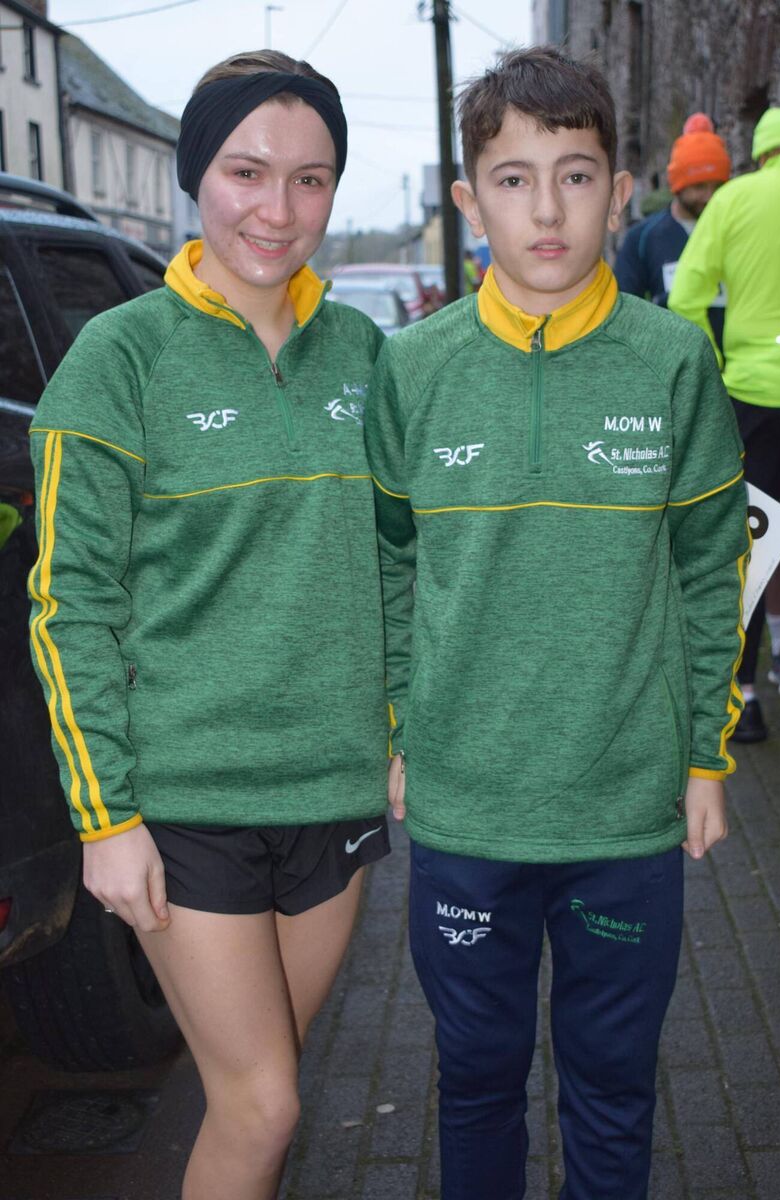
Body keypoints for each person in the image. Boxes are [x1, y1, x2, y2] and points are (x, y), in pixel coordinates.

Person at [364, 46, 749, 1200]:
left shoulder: (673, 360)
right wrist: (396, 726)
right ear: (466, 196)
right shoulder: (412, 368)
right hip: (466, 808)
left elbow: (702, 571)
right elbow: (385, 561)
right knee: (475, 1076)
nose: (546, 208)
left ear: (619, 189)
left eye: (574, 175)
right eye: (514, 177)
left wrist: (702, 759)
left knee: (611, 1083)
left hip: (624, 809)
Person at [28, 50, 389, 1200]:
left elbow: (399, 560)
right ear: (197, 176)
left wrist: (401, 731)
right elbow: (68, 602)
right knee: (263, 1099)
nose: (277, 210)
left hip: (331, 790)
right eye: (246, 171)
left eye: (310, 178)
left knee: (260, 1097)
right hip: (184, 802)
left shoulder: (366, 357)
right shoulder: (118, 357)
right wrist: (104, 817)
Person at [669, 106, 780, 743]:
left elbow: (685, 297)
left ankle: (743, 700)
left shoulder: (735, 200)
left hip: (757, 397)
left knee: (748, 549)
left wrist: (717, 369)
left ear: (758, 151)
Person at [615, 113, 730, 348]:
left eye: (717, 186)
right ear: (676, 185)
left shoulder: (738, 233)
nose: (708, 197)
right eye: (698, 187)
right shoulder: (643, 238)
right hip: (669, 369)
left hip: (735, 370)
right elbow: (623, 313)